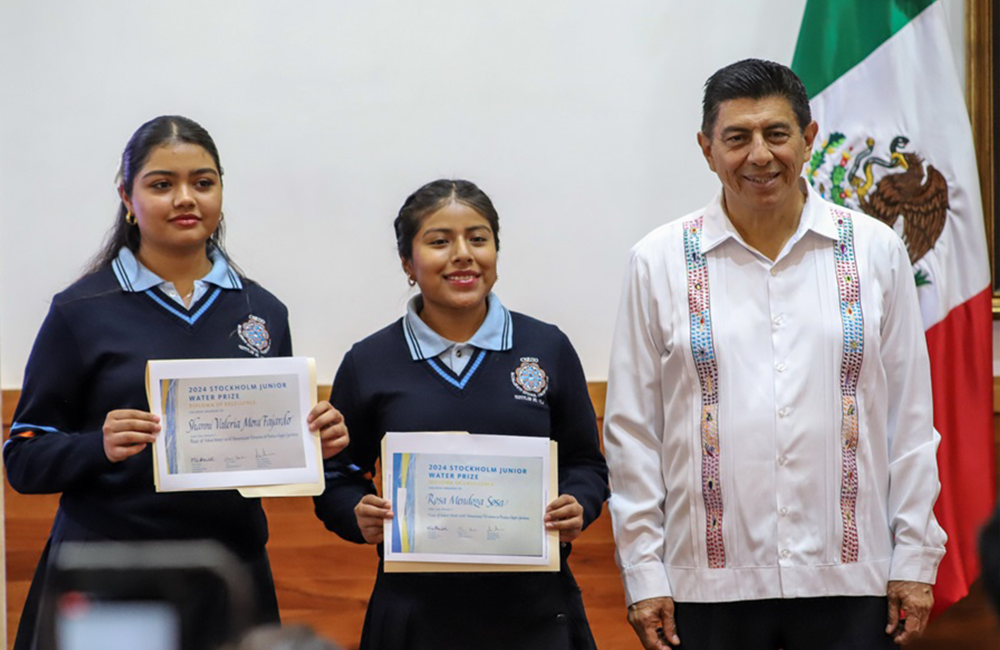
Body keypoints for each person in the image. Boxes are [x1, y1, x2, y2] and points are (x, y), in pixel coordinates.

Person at [603, 59, 946, 650]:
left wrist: (914, 558)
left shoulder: (875, 250)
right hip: (704, 586)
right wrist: (643, 571)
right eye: (737, 137)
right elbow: (633, 432)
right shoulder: (656, 260)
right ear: (707, 149)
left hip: (853, 580)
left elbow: (909, 422)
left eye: (776, 134)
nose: (759, 155)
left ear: (809, 140)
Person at [3, 115, 349, 650]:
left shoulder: (263, 311)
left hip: (228, 572)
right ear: (127, 195)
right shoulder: (80, 311)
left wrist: (310, 442)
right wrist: (99, 447)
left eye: (203, 183)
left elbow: (268, 464)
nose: (185, 198)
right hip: (113, 574)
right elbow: (23, 457)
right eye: (162, 184)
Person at [313, 179, 609, 650]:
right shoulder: (369, 361)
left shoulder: (546, 348)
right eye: (438, 241)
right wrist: (356, 512)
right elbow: (338, 472)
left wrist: (579, 502)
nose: (463, 254)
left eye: (478, 238)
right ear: (407, 263)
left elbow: (586, 464)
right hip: (415, 614)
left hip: (533, 611)